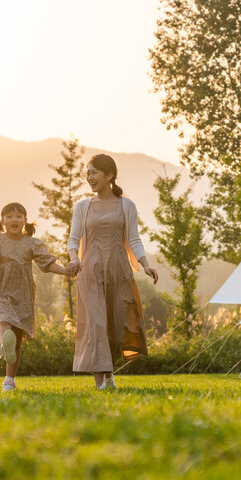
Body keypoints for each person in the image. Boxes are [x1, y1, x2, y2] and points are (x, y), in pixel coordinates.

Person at [66, 154, 158, 390]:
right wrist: (74, 259)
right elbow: (73, 239)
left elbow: (134, 239)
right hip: (91, 272)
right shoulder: (82, 206)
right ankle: (100, 384)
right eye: (88, 173)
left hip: (119, 270)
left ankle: (109, 375)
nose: (89, 177)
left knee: (116, 326)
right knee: (95, 324)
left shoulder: (126, 205)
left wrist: (145, 264)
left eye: (94, 172)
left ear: (109, 175)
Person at [0, 202, 76, 391]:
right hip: (1, 292)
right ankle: (4, 345)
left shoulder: (32, 243)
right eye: (9, 216)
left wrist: (66, 271)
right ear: (2, 221)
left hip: (23, 295)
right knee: (3, 320)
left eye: (19, 216)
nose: (14, 219)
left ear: (25, 221)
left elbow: (47, 264)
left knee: (17, 338)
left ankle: (9, 381)